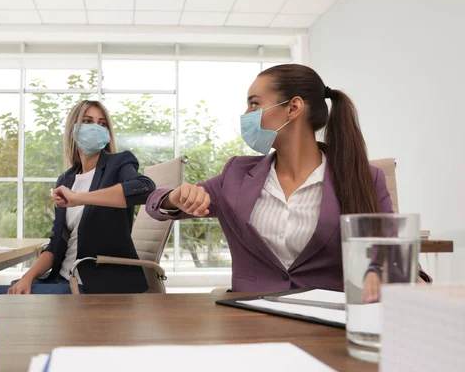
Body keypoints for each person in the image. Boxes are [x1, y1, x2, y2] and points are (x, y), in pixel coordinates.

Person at [146, 64, 430, 293]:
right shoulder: (237, 173)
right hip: (250, 318)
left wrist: (409, 278)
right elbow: (155, 206)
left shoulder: (365, 178)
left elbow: (392, 254)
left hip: (329, 323)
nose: (246, 115)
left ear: (293, 108)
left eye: (254, 104)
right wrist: (175, 197)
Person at [0, 100, 155, 302]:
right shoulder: (66, 180)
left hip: (93, 284)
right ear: (73, 129)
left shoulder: (119, 163)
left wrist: (79, 199)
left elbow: (145, 188)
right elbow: (56, 244)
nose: (96, 128)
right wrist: (27, 277)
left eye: (102, 123)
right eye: (87, 121)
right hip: (61, 278)